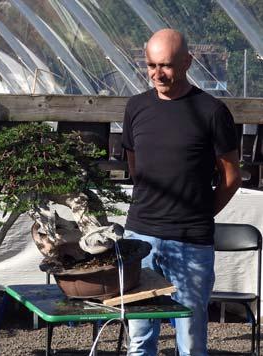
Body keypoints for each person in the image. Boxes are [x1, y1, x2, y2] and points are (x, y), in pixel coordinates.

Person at [122, 29, 241, 355]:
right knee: (140, 338)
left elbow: (231, 176)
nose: (157, 74)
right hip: (139, 238)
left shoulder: (211, 111)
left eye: (166, 65)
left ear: (187, 62)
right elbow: (136, 166)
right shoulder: (136, 107)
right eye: (151, 65)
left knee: (189, 338)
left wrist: (200, 212)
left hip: (190, 242)